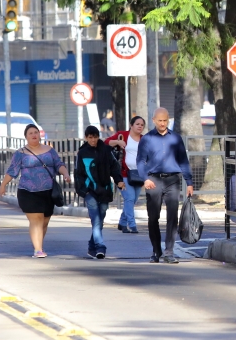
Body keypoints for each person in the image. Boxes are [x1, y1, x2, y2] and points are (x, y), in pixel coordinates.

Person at [0, 124, 72, 258]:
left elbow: (59, 164)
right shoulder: (20, 153)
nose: (34, 135)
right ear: (26, 137)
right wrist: (3, 185)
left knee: (44, 222)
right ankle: (38, 250)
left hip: (48, 192)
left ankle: (38, 245)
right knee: (36, 220)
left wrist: (66, 174)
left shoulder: (49, 150)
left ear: (39, 134)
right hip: (28, 191)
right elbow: (12, 171)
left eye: (36, 132)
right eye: (30, 133)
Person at [137, 108, 194, 264]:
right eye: (160, 121)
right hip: (153, 180)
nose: (162, 124)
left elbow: (183, 160)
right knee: (153, 217)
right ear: (154, 120)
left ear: (168, 120)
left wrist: (189, 181)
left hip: (172, 180)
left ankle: (169, 252)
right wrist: (145, 179)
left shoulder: (175, 138)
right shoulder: (147, 139)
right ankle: (156, 250)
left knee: (172, 216)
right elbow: (140, 161)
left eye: (165, 121)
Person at [75, 126, 124, 259]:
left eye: (95, 137)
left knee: (100, 219)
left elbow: (114, 167)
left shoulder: (106, 150)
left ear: (98, 137)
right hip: (90, 191)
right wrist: (82, 190)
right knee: (95, 220)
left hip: (105, 190)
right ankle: (100, 247)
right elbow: (78, 173)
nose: (93, 140)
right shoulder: (82, 153)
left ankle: (91, 247)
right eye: (90, 137)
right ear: (86, 138)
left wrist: (119, 181)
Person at [105, 115, 146, 234]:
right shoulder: (123, 135)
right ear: (131, 125)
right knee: (129, 198)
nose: (140, 126)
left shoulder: (144, 139)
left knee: (132, 201)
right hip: (123, 173)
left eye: (142, 125)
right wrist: (118, 141)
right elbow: (106, 142)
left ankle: (122, 223)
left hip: (138, 175)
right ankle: (132, 225)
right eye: (137, 124)